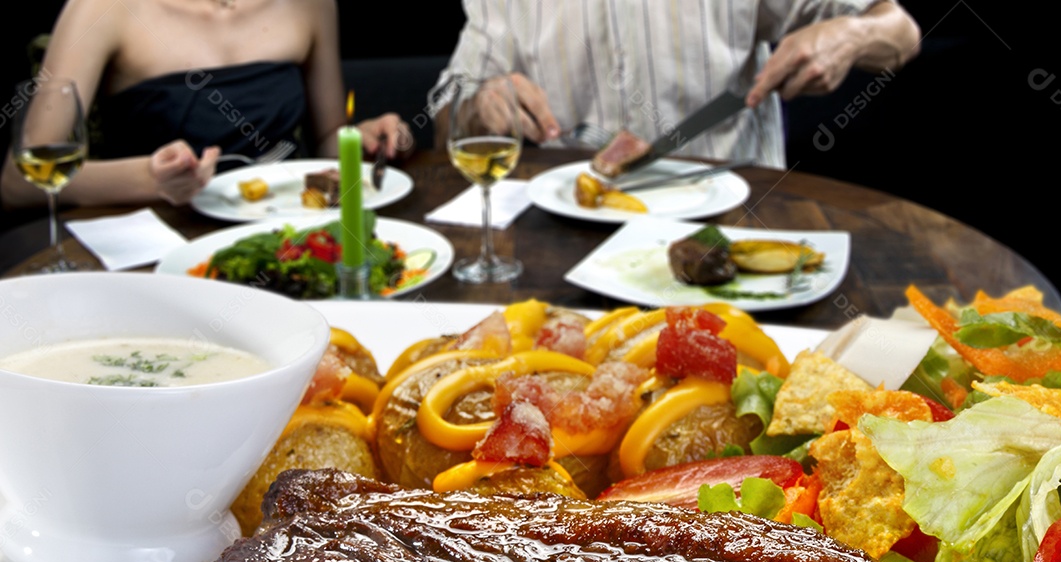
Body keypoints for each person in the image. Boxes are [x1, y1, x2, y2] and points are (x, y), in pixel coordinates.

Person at [1, 0, 411, 210]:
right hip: (158, 250)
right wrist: (150, 180)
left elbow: (326, 139)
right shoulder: (103, 8)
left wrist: (363, 137)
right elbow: (18, 183)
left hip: (285, 233)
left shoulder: (311, 5)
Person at [431, 0, 921, 168]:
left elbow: (901, 32)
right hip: (563, 239)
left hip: (731, 228)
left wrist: (853, 35)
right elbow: (448, 119)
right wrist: (481, 105)